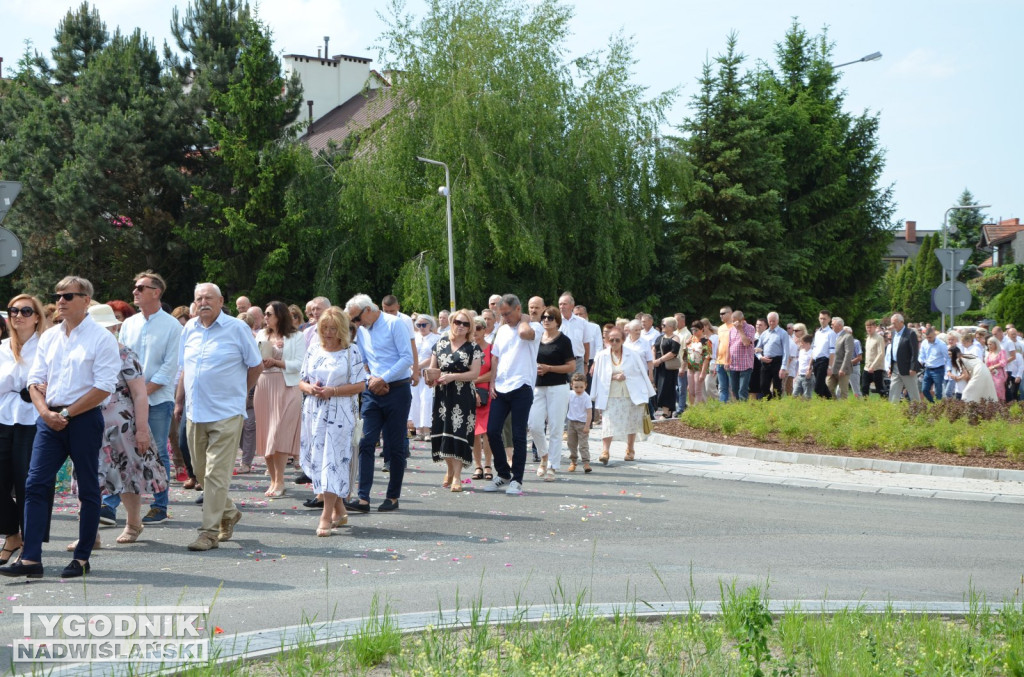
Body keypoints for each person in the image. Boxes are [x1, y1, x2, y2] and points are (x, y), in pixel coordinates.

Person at [2, 277, 120, 580]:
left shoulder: (101, 338)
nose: (62, 300)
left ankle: (82, 557)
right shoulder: (51, 336)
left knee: (88, 489)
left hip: (83, 419)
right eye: (59, 295)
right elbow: (35, 379)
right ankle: (31, 559)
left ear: (85, 300)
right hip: (48, 419)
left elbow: (103, 387)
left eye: (68, 295)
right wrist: (44, 411)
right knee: (35, 484)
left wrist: (65, 413)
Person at [175, 283, 262, 552]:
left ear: (221, 300)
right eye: (199, 298)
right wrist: (179, 402)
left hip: (226, 413)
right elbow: (184, 369)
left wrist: (239, 395)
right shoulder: (189, 329)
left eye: (208, 298)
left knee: (215, 474)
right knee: (201, 473)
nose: (203, 302)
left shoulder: (237, 329)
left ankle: (208, 533)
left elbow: (256, 365)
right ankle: (229, 511)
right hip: (195, 413)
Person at [100, 271, 181, 528]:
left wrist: (141, 393)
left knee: (155, 449)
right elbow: (117, 362)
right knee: (119, 451)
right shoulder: (130, 324)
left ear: (156, 292)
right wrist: (131, 395)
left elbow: (170, 367)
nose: (134, 291)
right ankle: (110, 506)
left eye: (140, 288)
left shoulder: (172, 326)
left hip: (157, 398)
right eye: (135, 287)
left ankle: (159, 505)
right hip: (125, 402)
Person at [87, 304, 168, 546]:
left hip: (122, 423)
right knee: (87, 476)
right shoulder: (82, 352)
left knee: (128, 475)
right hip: (89, 421)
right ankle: (90, 534)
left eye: (105, 328)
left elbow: (140, 394)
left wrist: (142, 430)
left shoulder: (125, 354)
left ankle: (133, 523)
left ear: (114, 328)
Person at [299, 307, 365, 537]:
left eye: (333, 328)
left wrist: (333, 390)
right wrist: (311, 388)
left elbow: (360, 385)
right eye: (324, 328)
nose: (328, 332)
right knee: (319, 461)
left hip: (340, 414)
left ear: (342, 330)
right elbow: (302, 380)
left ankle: (325, 516)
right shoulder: (314, 349)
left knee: (332, 462)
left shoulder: (351, 352)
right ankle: (340, 510)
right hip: (314, 411)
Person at [344, 294, 414, 513]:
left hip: (397, 389)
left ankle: (392, 496)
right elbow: (365, 361)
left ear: (367, 310)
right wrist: (371, 379)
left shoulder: (395, 324)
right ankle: (363, 498)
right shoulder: (363, 331)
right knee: (365, 441)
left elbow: (406, 358)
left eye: (356, 319)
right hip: (372, 390)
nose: (355, 324)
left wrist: (383, 377)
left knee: (394, 445)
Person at [0, 295, 50, 566]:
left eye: (25, 310)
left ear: (37, 316)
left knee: (28, 484)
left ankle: (29, 546)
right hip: (3, 419)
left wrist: (29, 389)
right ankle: (11, 534)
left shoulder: (45, 346)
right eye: (13, 311)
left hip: (34, 420)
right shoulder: (2, 347)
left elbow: (47, 383)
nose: (18, 315)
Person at [484, 294, 542, 496]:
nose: (505, 318)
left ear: (518, 309)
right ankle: (503, 473)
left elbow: (525, 334)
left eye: (508, 313)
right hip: (501, 386)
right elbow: (495, 358)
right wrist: (491, 381)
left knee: (518, 435)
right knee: (492, 431)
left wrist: (524, 319)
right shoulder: (501, 331)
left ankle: (517, 479)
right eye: (501, 314)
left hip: (522, 386)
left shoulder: (534, 326)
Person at [426, 309, 483, 491]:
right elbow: (432, 368)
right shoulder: (440, 343)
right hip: (442, 395)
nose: (460, 326)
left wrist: (452, 376)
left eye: (465, 324)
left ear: (470, 328)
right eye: (458, 322)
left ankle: (457, 476)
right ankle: (450, 469)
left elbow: (474, 374)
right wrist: (430, 379)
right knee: (443, 432)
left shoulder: (473, 347)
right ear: (452, 323)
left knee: (459, 433)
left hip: (463, 395)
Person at [254, 301, 304, 497]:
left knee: (279, 432)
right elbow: (253, 358)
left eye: (269, 314)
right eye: (265, 314)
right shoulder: (261, 334)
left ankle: (281, 480)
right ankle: (273, 480)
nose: (265, 318)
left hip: (287, 386)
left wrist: (277, 361)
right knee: (266, 434)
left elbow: (300, 363)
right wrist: (262, 362)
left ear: (280, 316)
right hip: (265, 384)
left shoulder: (296, 336)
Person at [591, 326, 655, 464]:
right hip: (610, 394)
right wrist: (613, 377)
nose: (614, 343)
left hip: (630, 393)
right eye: (611, 340)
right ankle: (605, 451)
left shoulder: (632, 354)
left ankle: (630, 449)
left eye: (617, 340)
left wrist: (626, 376)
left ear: (623, 340)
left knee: (631, 421)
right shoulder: (602, 356)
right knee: (608, 421)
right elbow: (598, 376)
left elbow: (639, 373)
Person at [528, 306, 576, 482]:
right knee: (534, 424)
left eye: (550, 317)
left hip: (558, 386)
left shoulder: (564, 341)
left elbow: (571, 366)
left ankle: (552, 466)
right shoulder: (536, 338)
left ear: (557, 321)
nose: (546, 320)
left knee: (555, 427)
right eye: (544, 317)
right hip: (537, 386)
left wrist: (549, 368)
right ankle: (544, 455)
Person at [471, 318, 495, 481]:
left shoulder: (492, 349)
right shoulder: (467, 349)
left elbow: (494, 372)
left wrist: (473, 379)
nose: (475, 331)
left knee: (487, 432)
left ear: (485, 330)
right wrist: (472, 382)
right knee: (473, 432)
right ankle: (477, 465)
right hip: (470, 393)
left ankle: (488, 464)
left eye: (478, 328)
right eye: (472, 328)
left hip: (488, 393)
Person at [410, 315, 440, 440]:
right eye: (419, 325)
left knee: (426, 400)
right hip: (414, 371)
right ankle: (418, 430)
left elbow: (435, 355)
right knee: (415, 400)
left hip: (427, 371)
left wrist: (420, 365)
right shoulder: (414, 338)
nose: (421, 327)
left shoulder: (436, 338)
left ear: (430, 325)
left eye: (424, 325)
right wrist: (414, 367)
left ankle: (427, 428)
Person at [887, 313, 921, 403]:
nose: (892, 325)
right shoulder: (894, 333)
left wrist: (913, 367)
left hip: (907, 368)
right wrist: (890, 366)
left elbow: (915, 352)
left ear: (901, 322)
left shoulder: (910, 333)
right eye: (892, 323)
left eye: (894, 323)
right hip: (895, 367)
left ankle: (918, 413)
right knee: (893, 392)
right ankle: (893, 413)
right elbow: (893, 351)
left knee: (913, 394)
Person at [755, 312, 789, 400]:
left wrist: (783, 367)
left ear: (777, 321)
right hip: (765, 361)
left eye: (774, 321)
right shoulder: (764, 334)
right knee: (763, 386)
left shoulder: (783, 333)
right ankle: (770, 401)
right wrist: (760, 357)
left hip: (777, 361)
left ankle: (777, 404)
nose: (772, 323)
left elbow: (786, 351)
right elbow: (757, 349)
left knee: (777, 387)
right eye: (770, 321)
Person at [652, 317, 680, 418]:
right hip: (658, 366)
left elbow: (673, 353)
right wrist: (654, 360)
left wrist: (660, 360)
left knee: (666, 388)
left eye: (664, 325)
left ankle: (666, 411)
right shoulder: (660, 337)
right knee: (657, 387)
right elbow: (654, 348)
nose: (662, 327)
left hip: (668, 367)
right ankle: (658, 409)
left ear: (671, 327)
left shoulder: (675, 338)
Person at [565, 373, 592, 473]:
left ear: (585, 385)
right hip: (571, 422)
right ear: (572, 385)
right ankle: (573, 461)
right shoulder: (570, 394)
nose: (579, 389)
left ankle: (586, 463)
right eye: (576, 387)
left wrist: (587, 426)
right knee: (571, 443)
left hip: (582, 423)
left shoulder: (586, 397)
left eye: (581, 387)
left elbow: (589, 412)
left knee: (583, 444)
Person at [727, 311, 756, 401]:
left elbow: (746, 343)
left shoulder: (750, 328)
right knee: (734, 390)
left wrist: (740, 330)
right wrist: (727, 361)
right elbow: (729, 345)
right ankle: (739, 408)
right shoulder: (731, 330)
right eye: (732, 321)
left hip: (745, 365)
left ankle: (744, 412)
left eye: (735, 321)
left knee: (742, 391)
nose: (733, 323)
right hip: (733, 364)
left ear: (741, 320)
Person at [825, 317, 853, 399]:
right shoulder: (831, 336)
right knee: (828, 388)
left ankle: (843, 410)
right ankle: (834, 406)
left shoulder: (847, 336)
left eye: (833, 324)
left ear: (840, 326)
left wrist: (843, 368)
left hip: (842, 369)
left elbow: (848, 353)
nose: (831, 326)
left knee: (843, 392)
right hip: (832, 368)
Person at [684, 322, 711, 405]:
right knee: (691, 390)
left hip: (699, 368)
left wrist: (703, 373)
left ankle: (697, 411)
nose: (694, 332)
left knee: (697, 391)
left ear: (702, 329)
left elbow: (707, 358)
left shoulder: (706, 341)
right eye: (692, 329)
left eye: (696, 330)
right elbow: (686, 354)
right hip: (690, 367)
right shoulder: (691, 340)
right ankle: (705, 405)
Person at [811, 310, 836, 399]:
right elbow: (814, 349)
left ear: (829, 319)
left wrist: (830, 367)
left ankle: (824, 401)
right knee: (820, 383)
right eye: (821, 318)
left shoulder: (831, 333)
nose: (822, 321)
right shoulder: (817, 333)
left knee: (818, 387)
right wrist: (810, 364)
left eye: (824, 319)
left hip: (824, 360)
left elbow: (832, 351)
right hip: (816, 360)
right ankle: (829, 400)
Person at [918, 326, 947, 403]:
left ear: (934, 335)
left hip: (938, 369)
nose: (928, 339)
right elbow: (922, 355)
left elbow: (947, 358)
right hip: (928, 369)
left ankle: (938, 406)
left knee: (938, 392)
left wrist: (947, 370)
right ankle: (933, 404)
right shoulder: (924, 343)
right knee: (924, 390)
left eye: (930, 337)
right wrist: (920, 362)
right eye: (927, 337)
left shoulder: (941, 344)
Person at [861, 319, 887, 398]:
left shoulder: (879, 338)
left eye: (870, 327)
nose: (868, 329)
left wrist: (873, 365)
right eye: (867, 327)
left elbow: (881, 353)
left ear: (875, 327)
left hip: (877, 368)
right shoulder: (867, 338)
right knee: (864, 387)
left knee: (879, 389)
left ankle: (884, 404)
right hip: (867, 367)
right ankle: (865, 404)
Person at [715, 307, 733, 402]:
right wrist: (716, 361)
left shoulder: (735, 326)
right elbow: (719, 344)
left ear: (730, 313)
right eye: (720, 314)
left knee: (732, 387)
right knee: (722, 387)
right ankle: (722, 408)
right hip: (720, 361)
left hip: (731, 362)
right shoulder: (720, 328)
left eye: (723, 313)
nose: (721, 315)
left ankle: (735, 409)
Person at [984, 337, 1009, 402]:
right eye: (988, 344)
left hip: (999, 375)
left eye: (990, 344)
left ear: (995, 344)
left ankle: (1001, 405)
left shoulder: (1001, 352)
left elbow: (1003, 362)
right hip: (990, 375)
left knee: (998, 390)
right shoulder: (989, 353)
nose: (989, 346)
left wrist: (993, 366)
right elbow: (987, 364)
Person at [792, 334, 815, 399]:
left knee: (807, 395)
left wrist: (810, 372)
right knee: (795, 394)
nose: (801, 344)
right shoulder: (801, 352)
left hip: (807, 376)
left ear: (808, 343)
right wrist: (797, 375)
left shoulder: (812, 352)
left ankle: (807, 407)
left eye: (802, 343)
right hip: (800, 375)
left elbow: (813, 364)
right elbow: (800, 364)